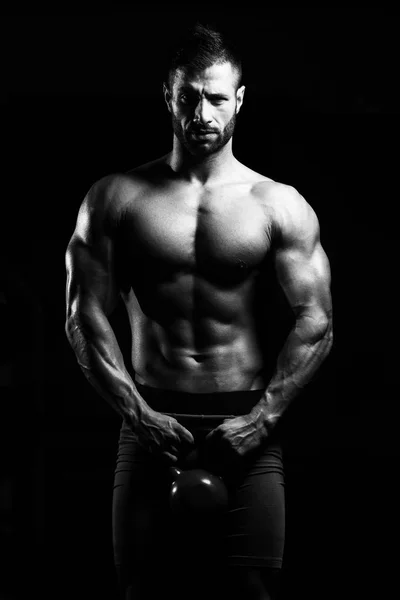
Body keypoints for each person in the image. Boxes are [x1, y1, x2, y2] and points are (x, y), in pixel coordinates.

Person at [65, 22, 333, 600]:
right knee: (141, 591)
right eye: (189, 96)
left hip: (246, 425)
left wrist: (262, 419)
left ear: (238, 100)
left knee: (252, 591)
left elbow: (316, 323)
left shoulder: (277, 204)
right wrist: (137, 415)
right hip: (150, 416)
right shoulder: (116, 197)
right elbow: (83, 315)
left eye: (216, 98)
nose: (202, 112)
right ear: (169, 95)